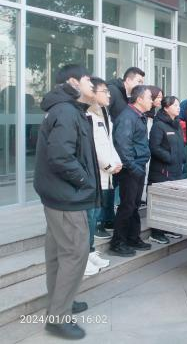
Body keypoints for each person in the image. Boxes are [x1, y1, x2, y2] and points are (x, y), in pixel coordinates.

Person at [33, 64, 100, 340]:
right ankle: (58, 317)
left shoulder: (68, 110)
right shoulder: (66, 112)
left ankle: (61, 302)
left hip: (59, 194)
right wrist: (85, 181)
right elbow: (61, 157)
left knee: (58, 254)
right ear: (73, 82)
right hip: (66, 196)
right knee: (74, 253)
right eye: (87, 80)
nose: (92, 85)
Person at [110, 85, 153, 256]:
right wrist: (133, 167)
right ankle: (118, 242)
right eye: (149, 97)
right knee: (127, 206)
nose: (152, 101)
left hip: (138, 166)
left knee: (134, 205)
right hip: (130, 169)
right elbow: (122, 145)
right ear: (140, 99)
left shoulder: (139, 116)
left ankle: (132, 237)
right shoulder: (127, 117)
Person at [86, 77, 123, 273]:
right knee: (90, 215)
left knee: (94, 213)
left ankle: (90, 251)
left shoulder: (103, 113)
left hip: (105, 172)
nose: (109, 95)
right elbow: (94, 147)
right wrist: (109, 165)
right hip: (94, 172)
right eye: (105, 91)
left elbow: (108, 142)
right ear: (92, 93)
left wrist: (116, 161)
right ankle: (86, 253)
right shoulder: (87, 115)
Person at [148, 96, 186, 244]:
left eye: (178, 105)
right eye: (175, 105)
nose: (178, 107)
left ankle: (167, 227)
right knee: (160, 201)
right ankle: (156, 232)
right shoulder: (159, 125)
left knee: (171, 201)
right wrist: (170, 158)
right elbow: (154, 147)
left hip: (176, 169)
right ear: (166, 108)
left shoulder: (176, 124)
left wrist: (181, 158)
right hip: (162, 171)